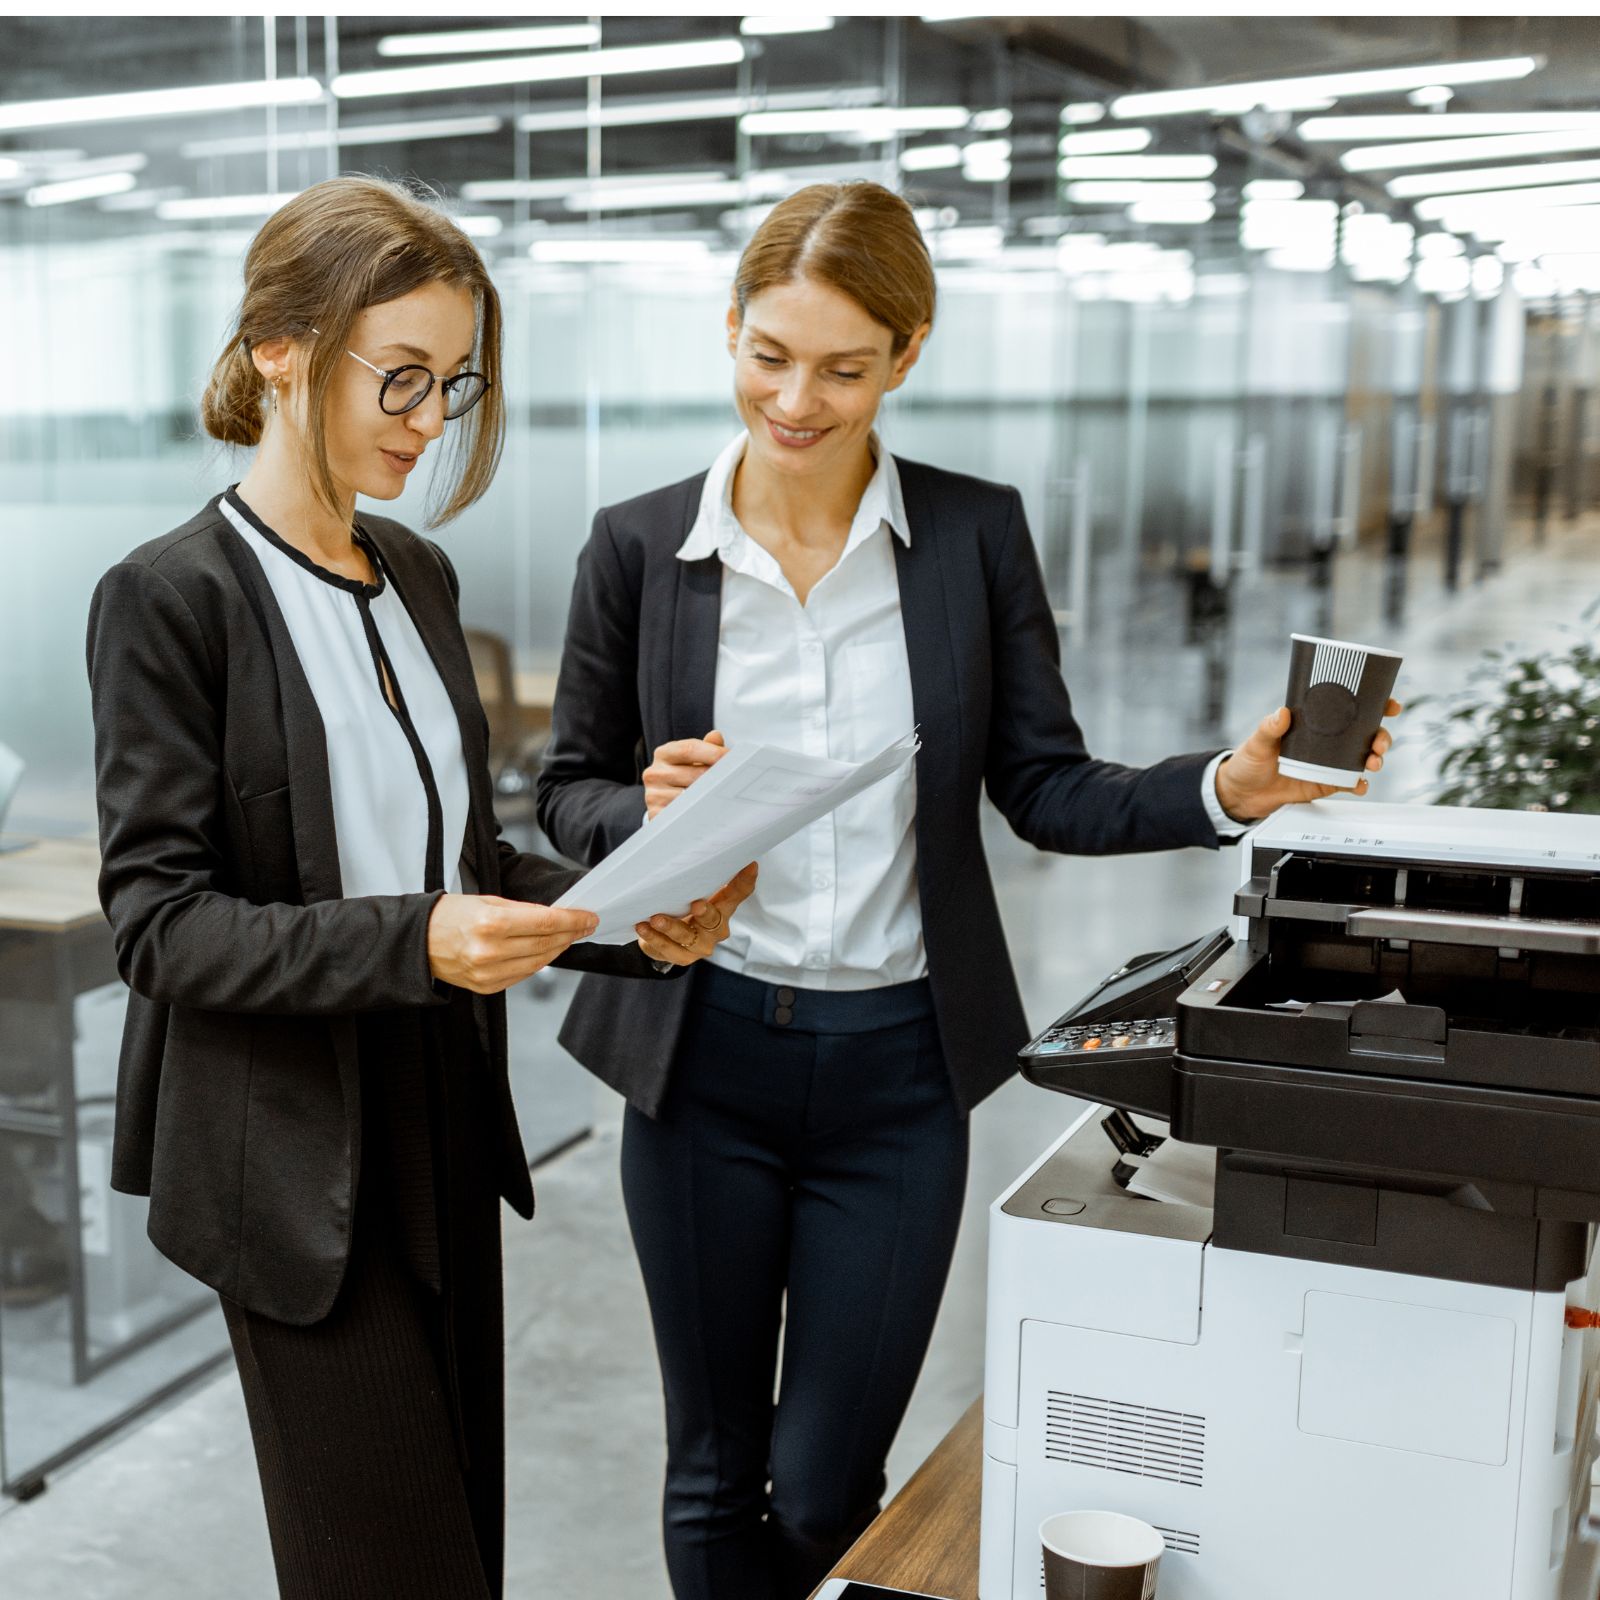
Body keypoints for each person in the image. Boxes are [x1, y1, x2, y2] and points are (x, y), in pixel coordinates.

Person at [536, 180, 1399, 1600]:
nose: (796, 399)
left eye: (843, 367)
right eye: (768, 354)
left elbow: (1045, 785)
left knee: (824, 1483)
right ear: (730, 332)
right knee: (711, 1470)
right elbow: (563, 790)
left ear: (909, 353)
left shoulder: (972, 536)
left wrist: (1222, 791)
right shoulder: (639, 547)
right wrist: (645, 806)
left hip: (897, 1076)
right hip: (702, 1064)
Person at [85, 175, 755, 1600]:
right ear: (281, 348)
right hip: (293, 1159)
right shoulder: (172, 598)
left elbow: (462, 861)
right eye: (399, 377)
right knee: (391, 1570)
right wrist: (418, 944)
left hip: (445, 1119)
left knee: (460, 1551)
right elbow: (157, 927)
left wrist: (635, 918)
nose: (424, 418)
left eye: (452, 386)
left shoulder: (419, 575)